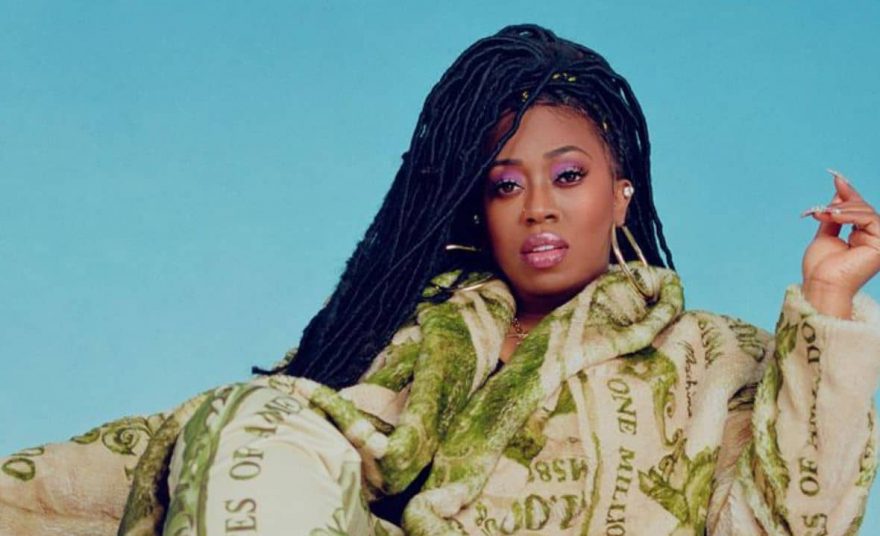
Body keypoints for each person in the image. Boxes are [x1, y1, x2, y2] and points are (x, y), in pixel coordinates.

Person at [2, 23, 879, 536]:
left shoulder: (713, 358)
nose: (538, 207)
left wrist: (830, 303)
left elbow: (788, 521)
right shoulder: (408, 332)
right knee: (254, 415)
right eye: (504, 185)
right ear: (476, 207)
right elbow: (206, 457)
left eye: (568, 176)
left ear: (621, 194)